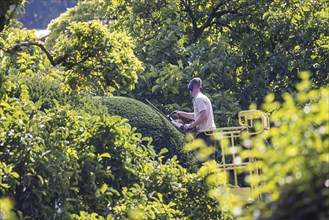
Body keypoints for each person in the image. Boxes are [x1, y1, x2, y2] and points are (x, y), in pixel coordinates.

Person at [175, 77, 216, 146]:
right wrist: (181, 113)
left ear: (190, 88)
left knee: (203, 156)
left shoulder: (198, 99)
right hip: (209, 132)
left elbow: (204, 116)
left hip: (205, 133)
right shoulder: (202, 97)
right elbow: (198, 116)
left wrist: (190, 126)